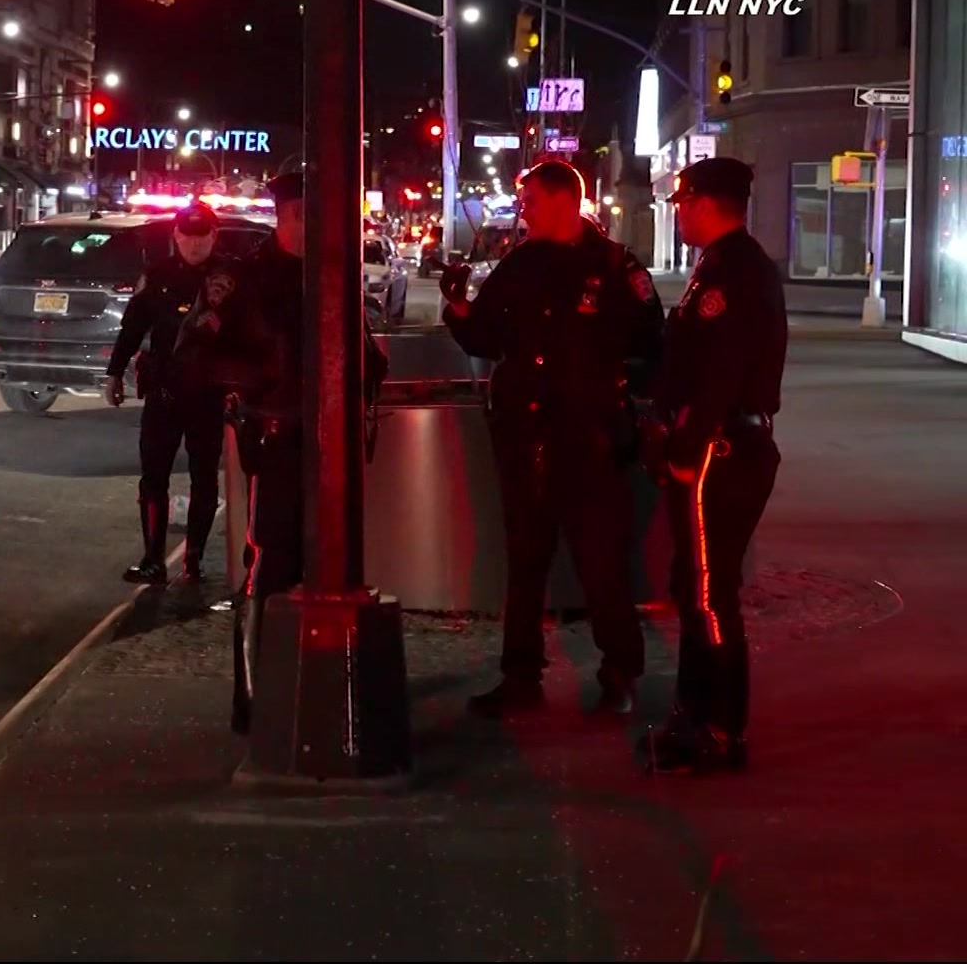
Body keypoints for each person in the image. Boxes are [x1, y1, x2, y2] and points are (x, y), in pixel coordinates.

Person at [439, 159, 664, 719]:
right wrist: (461, 309)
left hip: (587, 436)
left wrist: (613, 394)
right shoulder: (519, 265)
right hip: (524, 431)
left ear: (566, 200)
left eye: (531, 200)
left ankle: (620, 674)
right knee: (526, 559)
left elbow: (651, 343)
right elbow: (486, 336)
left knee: (600, 560)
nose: (524, 211)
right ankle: (520, 675)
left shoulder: (614, 266)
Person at [637, 157, 786, 774]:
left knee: (707, 593)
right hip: (723, 446)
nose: (677, 213)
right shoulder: (730, 265)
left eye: (681, 202)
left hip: (717, 451)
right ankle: (694, 717)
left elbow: (720, 376)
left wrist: (682, 448)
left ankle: (721, 728)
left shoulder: (732, 272)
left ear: (702, 203)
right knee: (695, 588)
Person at [228, 171, 388, 733]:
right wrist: (264, 378)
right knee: (268, 568)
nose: (309, 226)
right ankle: (256, 694)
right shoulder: (244, 279)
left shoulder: (334, 275)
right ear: (282, 216)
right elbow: (197, 357)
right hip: (275, 442)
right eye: (300, 215)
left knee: (332, 566)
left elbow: (367, 355)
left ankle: (317, 691)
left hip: (331, 447)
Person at [105, 201, 237, 585]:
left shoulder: (231, 277)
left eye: (203, 236)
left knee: (204, 478)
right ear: (176, 235)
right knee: (153, 477)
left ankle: (193, 558)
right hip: (164, 391)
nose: (195, 243)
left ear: (215, 236)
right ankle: (153, 559)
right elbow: (132, 327)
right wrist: (114, 373)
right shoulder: (158, 275)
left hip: (210, 394)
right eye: (188, 235)